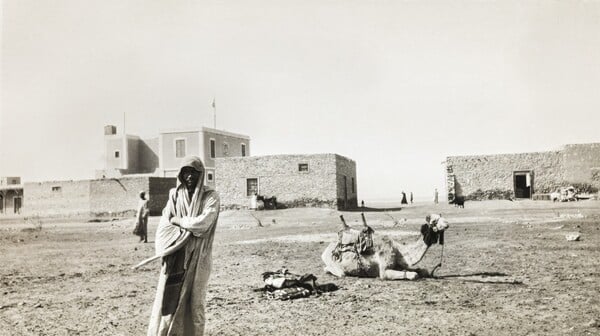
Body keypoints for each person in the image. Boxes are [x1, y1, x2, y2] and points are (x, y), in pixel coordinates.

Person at [147, 156, 220, 336]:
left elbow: (203, 224)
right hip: (175, 255)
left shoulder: (210, 196)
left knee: (195, 303)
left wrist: (179, 220)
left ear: (201, 175)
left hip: (199, 256)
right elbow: (165, 224)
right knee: (168, 299)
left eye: (193, 173)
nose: (189, 177)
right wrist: (166, 248)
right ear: (180, 174)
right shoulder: (175, 195)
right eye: (185, 172)